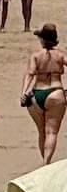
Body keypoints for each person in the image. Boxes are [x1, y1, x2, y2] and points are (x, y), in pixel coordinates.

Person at [26, 23, 67, 161]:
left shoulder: (36, 56)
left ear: (43, 40)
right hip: (55, 92)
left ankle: (45, 166)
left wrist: (25, 92)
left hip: (36, 93)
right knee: (52, 132)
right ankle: (46, 163)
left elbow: (30, 74)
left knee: (41, 132)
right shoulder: (60, 55)